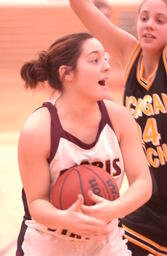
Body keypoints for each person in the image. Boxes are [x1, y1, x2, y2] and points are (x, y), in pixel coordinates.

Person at [16, 32, 152, 256]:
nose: (107, 66)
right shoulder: (38, 129)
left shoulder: (119, 118)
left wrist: (113, 209)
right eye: (95, 60)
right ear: (66, 73)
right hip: (49, 243)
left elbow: (143, 182)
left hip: (104, 242)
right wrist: (65, 219)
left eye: (106, 59)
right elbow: (37, 202)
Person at [69, 0, 167, 255]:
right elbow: (81, 7)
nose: (149, 25)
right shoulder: (130, 53)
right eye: (144, 18)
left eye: (160, 20)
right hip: (150, 205)